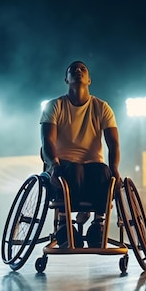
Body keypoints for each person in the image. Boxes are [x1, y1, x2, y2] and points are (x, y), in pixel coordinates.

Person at [40, 60, 121, 248]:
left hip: (93, 163)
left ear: (89, 80)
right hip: (64, 163)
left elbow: (113, 143)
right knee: (73, 171)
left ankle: (98, 224)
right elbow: (47, 141)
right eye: (73, 70)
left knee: (104, 173)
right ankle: (64, 224)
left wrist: (114, 168)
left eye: (82, 69)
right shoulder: (54, 106)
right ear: (66, 79)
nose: (78, 71)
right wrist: (54, 165)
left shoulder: (102, 107)